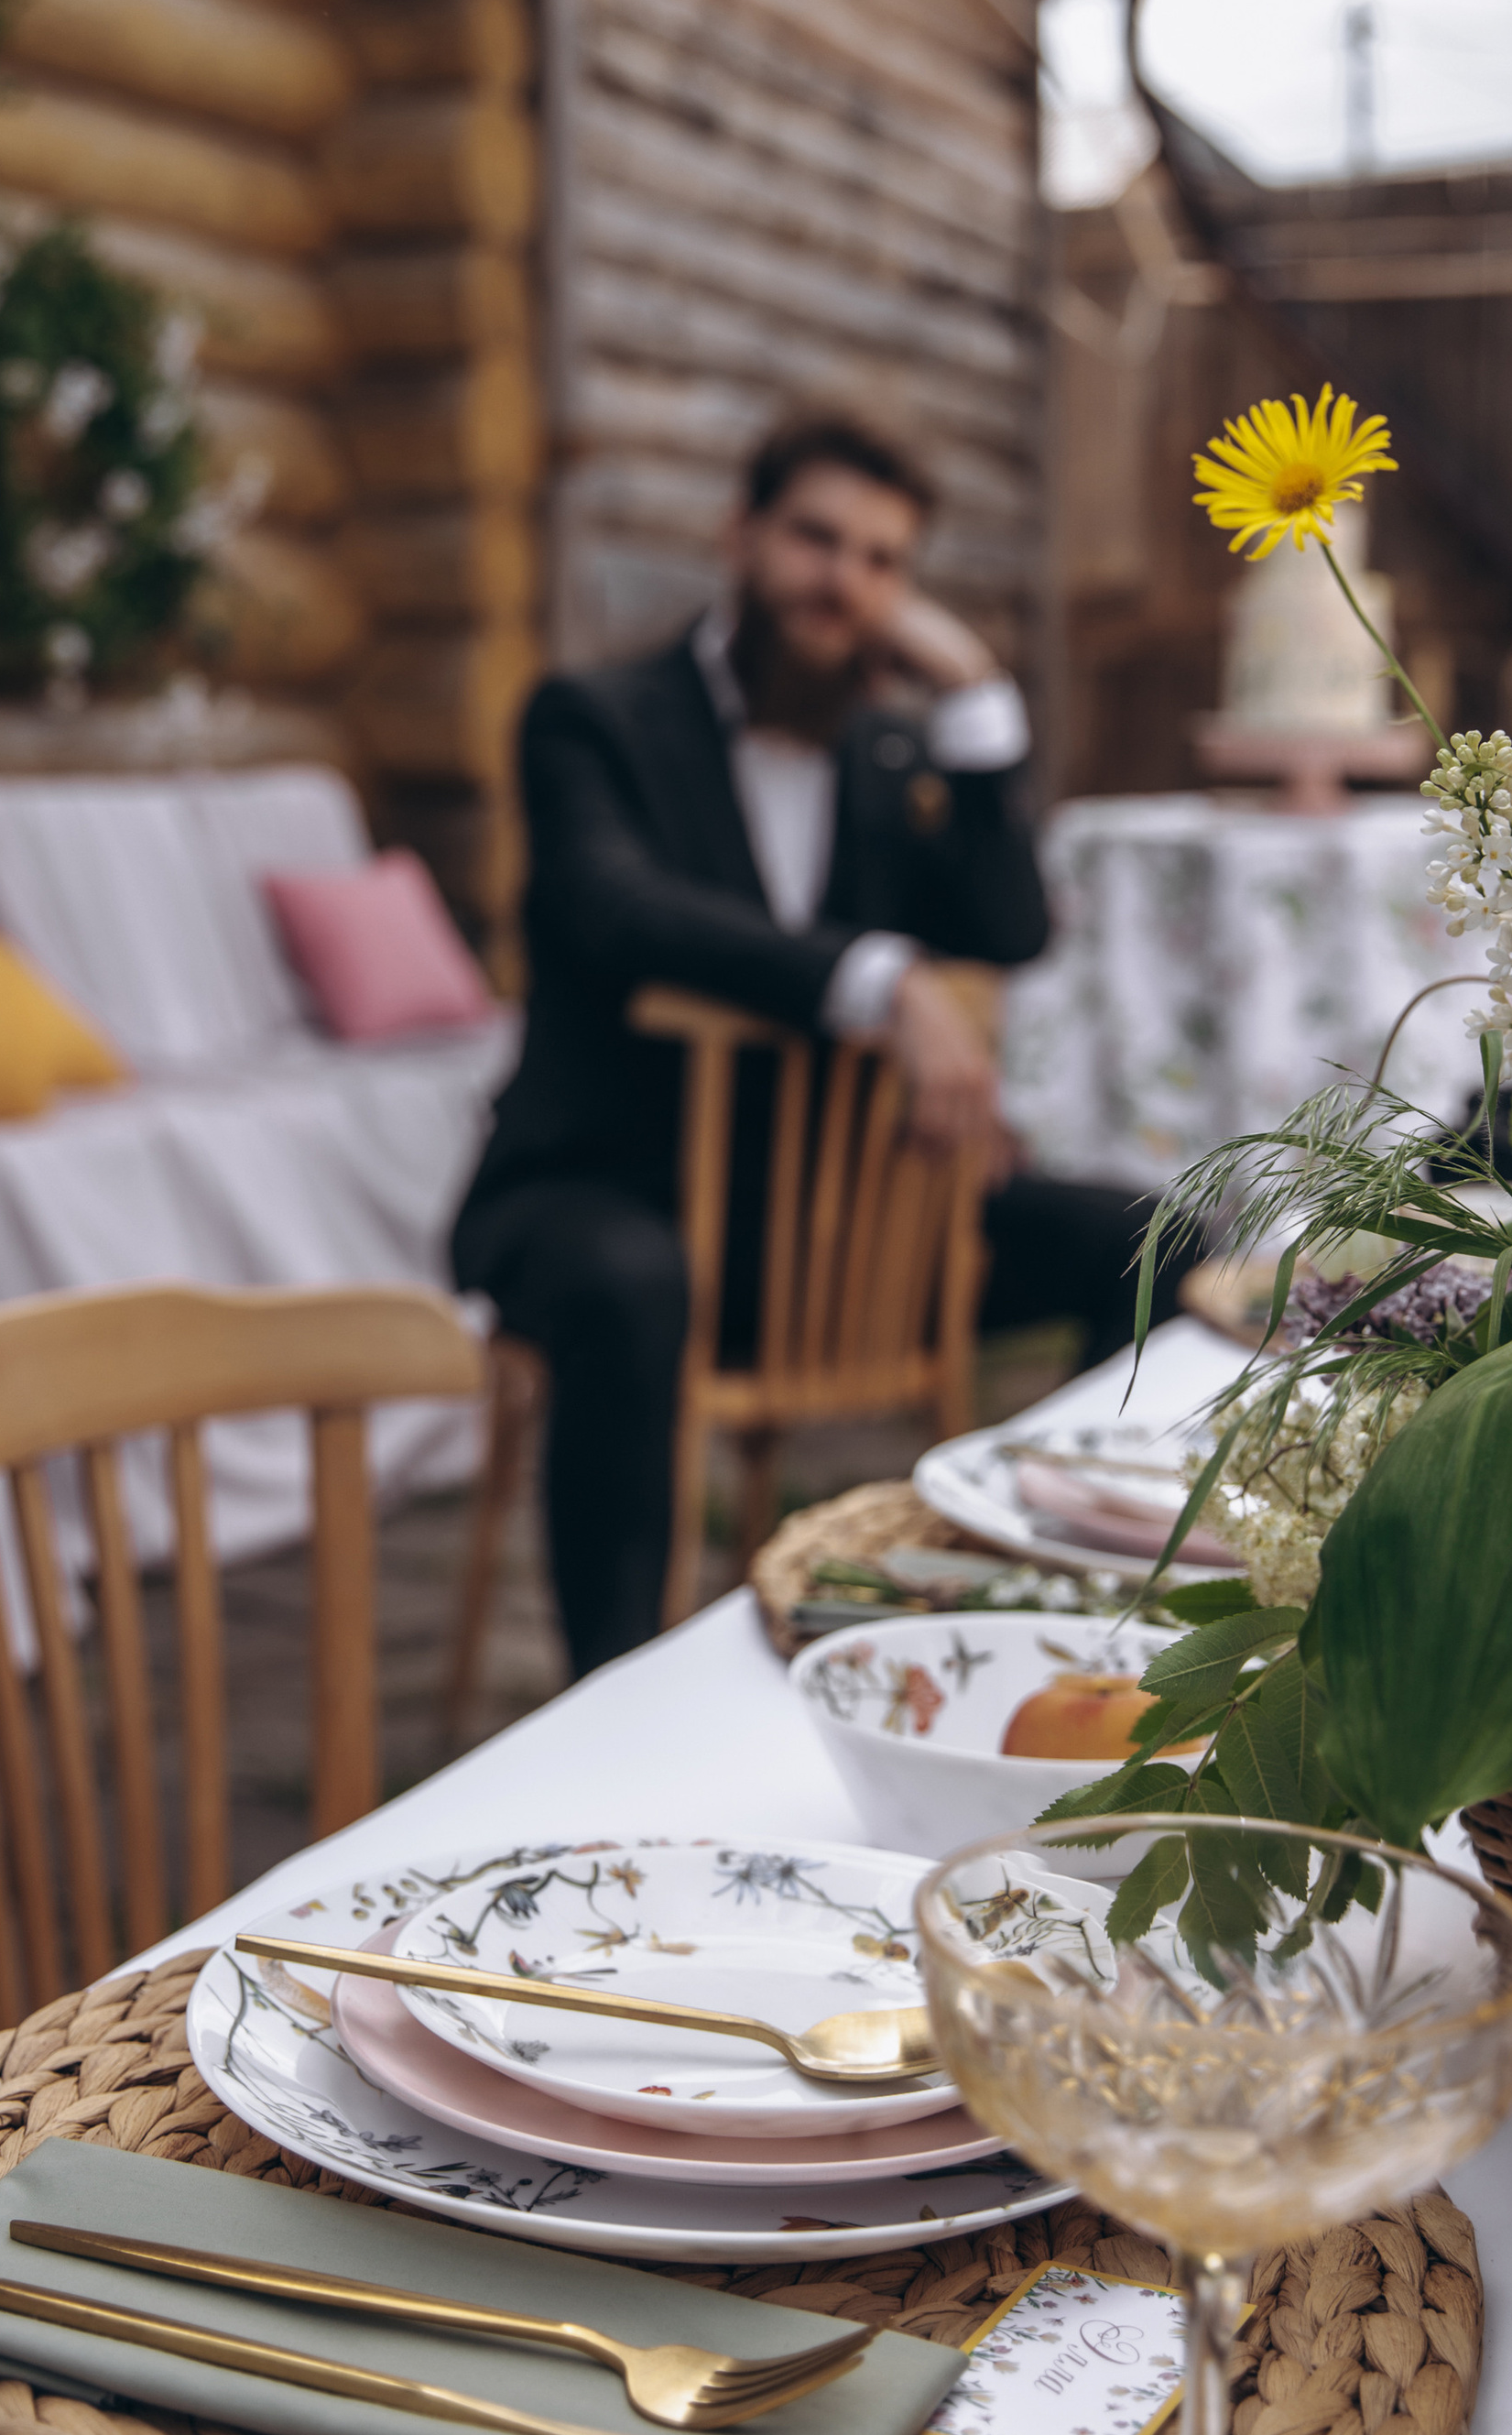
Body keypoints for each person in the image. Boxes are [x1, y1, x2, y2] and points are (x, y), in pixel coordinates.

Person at [452, 415, 1167, 1676]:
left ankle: (1050, 1626)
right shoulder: (591, 718)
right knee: (629, 1286)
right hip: (604, 1189)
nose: (844, 582)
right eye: (816, 539)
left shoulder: (893, 753)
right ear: (741, 536)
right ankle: (613, 1699)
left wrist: (980, 703)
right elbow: (614, 910)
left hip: (821, 1233)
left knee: (1150, 1239)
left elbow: (1008, 928)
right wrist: (876, 977)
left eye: (884, 562)